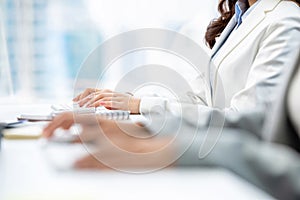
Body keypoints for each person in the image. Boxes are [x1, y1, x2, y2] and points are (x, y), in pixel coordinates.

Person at [73, 0, 300, 117]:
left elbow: (248, 119)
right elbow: (199, 98)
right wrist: (128, 100)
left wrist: (140, 105)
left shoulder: (285, 20)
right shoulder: (242, 15)